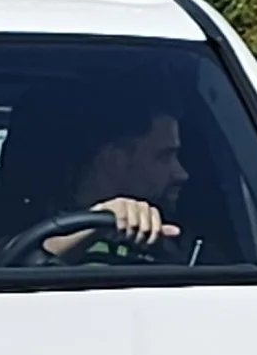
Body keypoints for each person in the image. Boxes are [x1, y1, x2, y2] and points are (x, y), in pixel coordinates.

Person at [27, 105, 189, 259]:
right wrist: (98, 222)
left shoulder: (183, 234)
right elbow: (22, 267)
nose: (181, 174)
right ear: (115, 160)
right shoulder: (27, 225)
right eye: (164, 157)